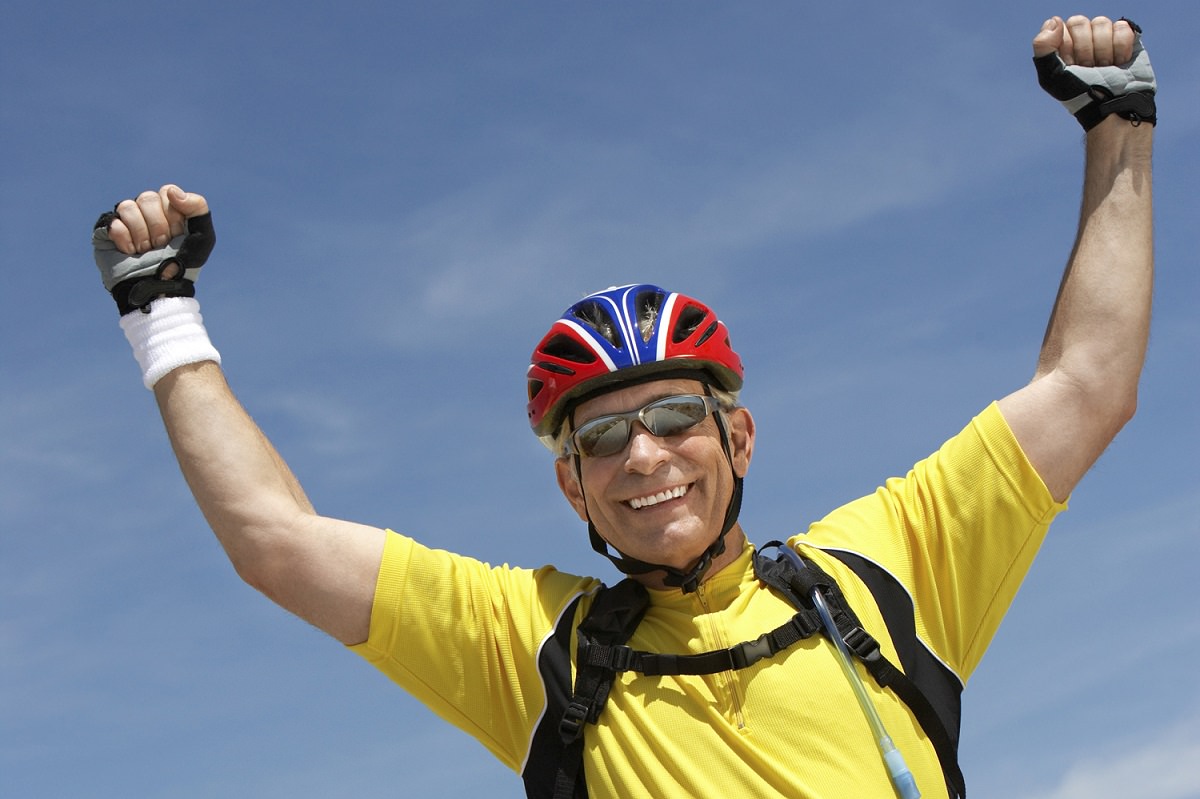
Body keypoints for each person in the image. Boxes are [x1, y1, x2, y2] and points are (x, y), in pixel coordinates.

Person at [90, 15, 1155, 799]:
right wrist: (161, 312)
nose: (644, 454)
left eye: (676, 418)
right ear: (573, 485)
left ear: (737, 436)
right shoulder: (537, 644)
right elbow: (276, 543)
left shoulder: (884, 568)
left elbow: (1090, 384)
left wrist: (1118, 124)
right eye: (601, 436)